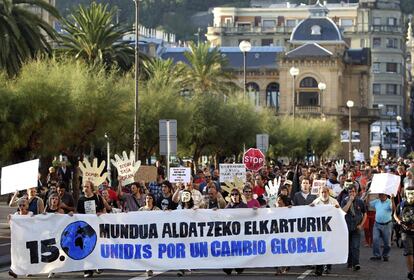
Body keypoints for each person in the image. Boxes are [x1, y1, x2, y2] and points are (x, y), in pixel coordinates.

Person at [77, 181, 106, 278]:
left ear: (91, 188)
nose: (85, 188)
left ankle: (98, 265)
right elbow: (79, 214)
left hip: (97, 226)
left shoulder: (97, 198)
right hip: (86, 227)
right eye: (84, 186)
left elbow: (104, 211)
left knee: (97, 246)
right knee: (86, 248)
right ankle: (88, 270)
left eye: (87, 187)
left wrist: (101, 214)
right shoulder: (81, 200)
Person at [310, 186, 339, 275]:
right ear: (319, 193)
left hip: (330, 230)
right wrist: (309, 208)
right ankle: (319, 268)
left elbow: (339, 214)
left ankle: (328, 267)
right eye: (322, 192)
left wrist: (337, 208)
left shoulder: (334, 201)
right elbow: (310, 214)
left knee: (329, 248)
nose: (324, 194)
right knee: (319, 249)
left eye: (325, 192)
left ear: (328, 192)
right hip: (319, 230)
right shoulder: (316, 202)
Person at [341, 184, 367, 271]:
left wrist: (361, 225)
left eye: (353, 191)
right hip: (347, 227)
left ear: (356, 192)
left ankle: (356, 263)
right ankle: (349, 263)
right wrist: (349, 201)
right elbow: (343, 211)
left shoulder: (360, 201)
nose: (351, 193)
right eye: (349, 192)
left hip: (356, 227)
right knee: (348, 247)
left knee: (355, 246)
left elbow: (365, 214)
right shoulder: (344, 201)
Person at [223, 188, 247, 275]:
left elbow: (251, 216)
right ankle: (228, 268)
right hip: (230, 234)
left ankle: (239, 268)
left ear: (239, 196)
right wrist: (215, 211)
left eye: (236, 194)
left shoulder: (244, 206)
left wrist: (255, 211)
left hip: (241, 233)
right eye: (232, 194)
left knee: (239, 251)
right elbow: (221, 216)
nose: (234, 196)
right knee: (230, 251)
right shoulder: (228, 206)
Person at [7, 198, 33, 278]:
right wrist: (9, 219)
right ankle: (15, 270)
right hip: (19, 239)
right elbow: (12, 225)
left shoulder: (30, 214)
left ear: (27, 206)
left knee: (28, 255)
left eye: (23, 205)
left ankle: (29, 270)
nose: (21, 207)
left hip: (29, 238)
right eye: (20, 205)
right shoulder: (16, 215)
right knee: (18, 255)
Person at [368, 192, 395, 262]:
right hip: (377, 224)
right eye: (380, 194)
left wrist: (392, 199)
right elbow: (368, 203)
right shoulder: (377, 201)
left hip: (387, 225)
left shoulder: (389, 201)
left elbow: (393, 209)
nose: (381, 196)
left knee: (387, 243)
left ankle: (385, 255)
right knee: (375, 239)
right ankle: (377, 255)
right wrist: (368, 195)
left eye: (382, 194)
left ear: (386, 194)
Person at [394, 186, 414, 280]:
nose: (411, 195)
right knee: (408, 252)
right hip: (405, 232)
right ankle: (411, 272)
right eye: (409, 193)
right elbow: (395, 213)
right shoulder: (402, 204)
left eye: (412, 193)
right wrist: (398, 221)